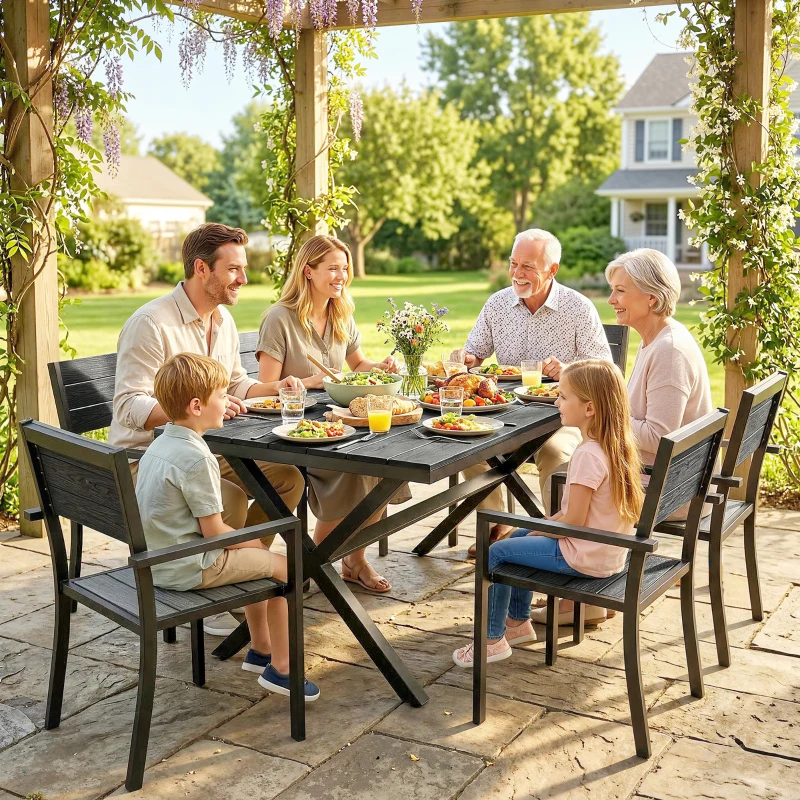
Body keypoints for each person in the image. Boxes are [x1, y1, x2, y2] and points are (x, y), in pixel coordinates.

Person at [111, 222, 305, 636]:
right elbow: (128, 405)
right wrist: (189, 408)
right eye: (233, 269)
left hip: (204, 451)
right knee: (227, 498)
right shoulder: (152, 323)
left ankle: (242, 574)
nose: (243, 278)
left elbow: (235, 383)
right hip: (149, 460)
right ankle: (218, 586)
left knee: (286, 479)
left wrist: (276, 386)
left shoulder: (224, 321)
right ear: (202, 269)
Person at [135, 353, 319, 700]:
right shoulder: (198, 458)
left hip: (159, 561)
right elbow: (214, 533)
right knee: (286, 566)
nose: (228, 402)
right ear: (196, 406)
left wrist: (250, 547)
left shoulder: (160, 444)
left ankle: (261, 649)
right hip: (190, 566)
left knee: (259, 558)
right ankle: (283, 670)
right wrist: (252, 543)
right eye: (221, 396)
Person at [452, 360, 644, 666]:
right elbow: (575, 517)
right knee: (518, 532)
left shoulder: (588, 455)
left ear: (590, 409)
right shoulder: (613, 445)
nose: (557, 401)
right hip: (603, 549)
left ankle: (490, 641)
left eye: (564, 397)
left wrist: (543, 529)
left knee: (496, 553)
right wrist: (538, 526)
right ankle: (517, 624)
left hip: (583, 554)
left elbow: (573, 522)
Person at [256, 234, 408, 593]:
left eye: (345, 268)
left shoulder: (340, 313)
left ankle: (353, 560)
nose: (341, 276)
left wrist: (382, 366)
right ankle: (317, 560)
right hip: (295, 431)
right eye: (332, 269)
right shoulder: (280, 319)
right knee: (360, 471)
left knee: (389, 462)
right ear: (308, 271)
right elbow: (264, 386)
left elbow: (358, 365)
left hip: (340, 423)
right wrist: (311, 380)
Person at [453, 228, 612, 557]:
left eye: (528, 266)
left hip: (562, 417)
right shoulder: (498, 304)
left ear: (552, 270)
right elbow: (476, 353)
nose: (517, 274)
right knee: (468, 446)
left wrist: (569, 370)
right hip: (506, 414)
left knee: (555, 453)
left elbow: (605, 370)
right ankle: (499, 523)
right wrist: (468, 359)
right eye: (513, 264)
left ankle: (558, 539)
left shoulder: (578, 308)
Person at [606, 248, 713, 466]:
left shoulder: (670, 351)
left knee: (572, 471)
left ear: (652, 298)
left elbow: (658, 438)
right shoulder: (655, 338)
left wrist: (604, 413)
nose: (610, 300)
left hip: (663, 486)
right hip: (652, 474)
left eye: (620, 291)